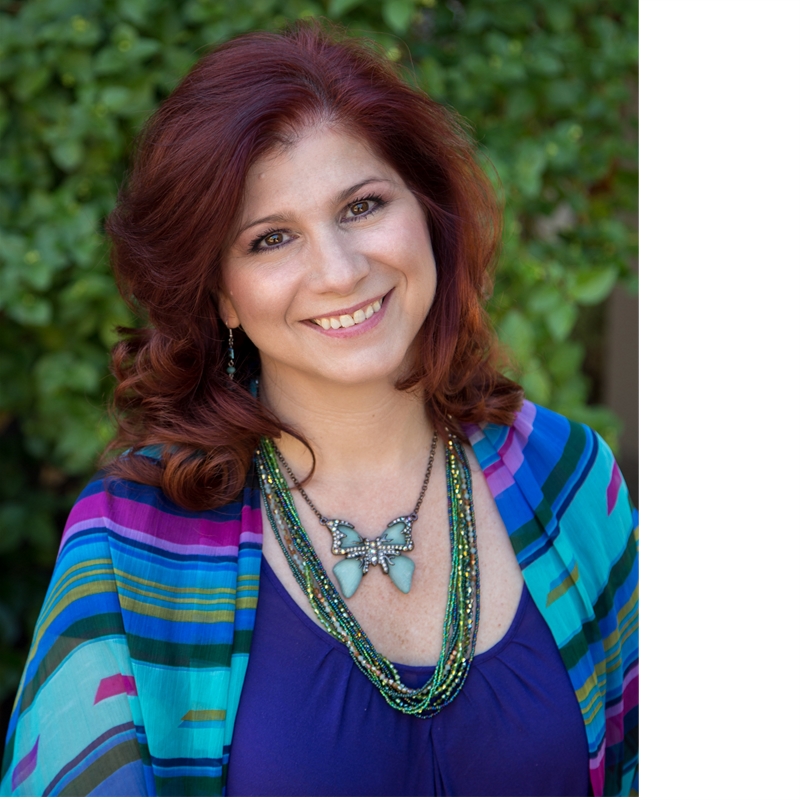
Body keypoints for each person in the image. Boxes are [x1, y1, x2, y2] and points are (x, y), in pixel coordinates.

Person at [0, 21, 638, 798]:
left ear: (428, 213)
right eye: (271, 239)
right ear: (221, 295)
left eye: (363, 205)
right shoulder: (134, 540)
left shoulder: (567, 480)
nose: (338, 271)